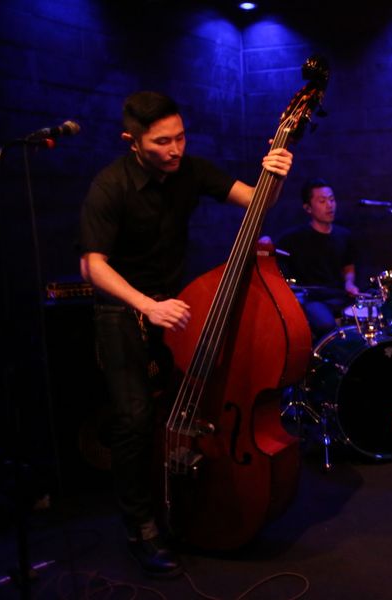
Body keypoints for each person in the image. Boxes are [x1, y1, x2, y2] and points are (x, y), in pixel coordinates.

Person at [78, 91, 293, 577]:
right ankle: (140, 528)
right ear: (132, 140)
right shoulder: (110, 185)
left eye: (180, 137)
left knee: (183, 409)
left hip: (173, 306)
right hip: (123, 310)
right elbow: (92, 266)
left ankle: (178, 497)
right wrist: (146, 305)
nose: (175, 149)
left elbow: (255, 203)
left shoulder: (190, 170)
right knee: (135, 419)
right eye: (162, 142)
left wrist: (275, 175)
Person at [276, 178, 359, 339]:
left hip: (339, 295)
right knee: (326, 324)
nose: (329, 205)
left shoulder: (344, 235)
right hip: (312, 298)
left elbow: (348, 266)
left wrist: (349, 283)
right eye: (322, 201)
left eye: (332, 199)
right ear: (308, 208)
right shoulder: (293, 238)